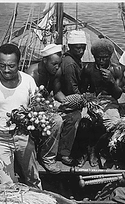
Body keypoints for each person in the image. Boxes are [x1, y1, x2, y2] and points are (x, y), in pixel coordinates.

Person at [0, 43, 42, 188]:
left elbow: (37, 106)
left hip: (23, 135)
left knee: (33, 179)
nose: (6, 70)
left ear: (19, 63)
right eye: (2, 65)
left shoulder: (28, 81)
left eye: (11, 66)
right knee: (7, 184)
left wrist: (33, 115)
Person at [79, 37, 125, 166]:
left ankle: (98, 150)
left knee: (114, 124)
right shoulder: (88, 69)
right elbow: (83, 89)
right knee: (84, 122)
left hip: (110, 101)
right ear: (94, 56)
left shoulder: (116, 70)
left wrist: (111, 81)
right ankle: (84, 151)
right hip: (93, 100)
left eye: (104, 58)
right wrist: (89, 101)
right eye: (98, 58)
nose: (101, 61)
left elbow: (118, 94)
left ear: (110, 56)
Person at [25, 44, 64, 173]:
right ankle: (48, 158)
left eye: (59, 64)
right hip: (32, 107)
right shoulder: (32, 74)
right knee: (57, 121)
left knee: (72, 114)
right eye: (54, 64)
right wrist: (48, 107)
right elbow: (29, 101)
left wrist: (67, 102)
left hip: (46, 104)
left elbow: (57, 92)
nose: (57, 67)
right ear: (44, 61)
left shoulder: (56, 71)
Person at [54, 30, 88, 166]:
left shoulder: (74, 60)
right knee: (75, 117)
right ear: (70, 47)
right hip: (65, 97)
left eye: (83, 48)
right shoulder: (70, 64)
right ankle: (64, 152)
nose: (80, 51)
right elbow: (71, 90)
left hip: (69, 95)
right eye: (77, 48)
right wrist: (84, 102)